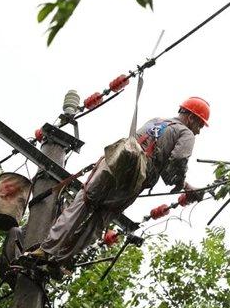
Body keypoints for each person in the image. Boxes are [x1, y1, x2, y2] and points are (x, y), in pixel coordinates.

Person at [15, 96, 209, 271]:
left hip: (111, 164)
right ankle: (59, 260)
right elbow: (177, 163)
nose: (199, 132)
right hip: (132, 178)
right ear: (192, 118)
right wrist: (182, 185)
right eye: (199, 125)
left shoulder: (156, 121)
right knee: (100, 218)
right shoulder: (186, 133)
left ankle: (46, 250)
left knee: (82, 203)